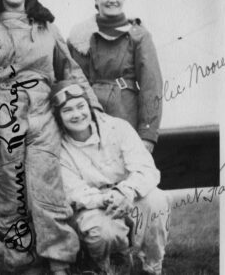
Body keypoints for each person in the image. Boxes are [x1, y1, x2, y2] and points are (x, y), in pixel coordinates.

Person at [0, 0, 100, 275]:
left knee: (48, 191)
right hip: (2, 117)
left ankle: (60, 262)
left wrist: (93, 107)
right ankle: (23, 265)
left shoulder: (46, 24)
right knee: (9, 196)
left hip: (43, 115)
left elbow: (68, 69)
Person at [51, 80, 169, 275]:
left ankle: (151, 268)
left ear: (89, 106)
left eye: (81, 106)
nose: (77, 114)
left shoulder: (118, 127)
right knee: (104, 233)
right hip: (94, 205)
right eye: (68, 110)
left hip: (128, 194)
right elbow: (73, 191)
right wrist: (107, 198)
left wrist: (126, 191)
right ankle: (105, 265)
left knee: (157, 200)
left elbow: (147, 169)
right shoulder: (60, 148)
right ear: (59, 117)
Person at [67, 0, 163, 152]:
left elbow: (152, 86)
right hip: (88, 115)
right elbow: (70, 81)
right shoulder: (79, 37)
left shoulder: (138, 35)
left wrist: (147, 135)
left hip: (125, 113)